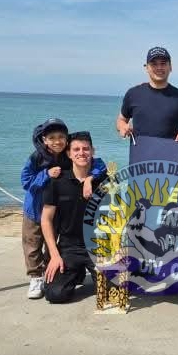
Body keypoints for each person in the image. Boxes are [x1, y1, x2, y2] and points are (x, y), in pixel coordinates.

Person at [41, 132, 107, 304]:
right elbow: (46, 219)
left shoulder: (106, 182)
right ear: (69, 154)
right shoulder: (57, 181)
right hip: (69, 246)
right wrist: (54, 255)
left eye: (86, 149)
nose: (81, 153)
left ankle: (87, 271)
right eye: (76, 149)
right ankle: (75, 272)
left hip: (97, 246)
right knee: (55, 294)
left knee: (113, 294)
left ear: (92, 151)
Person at [20, 117, 70, 299]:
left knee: (52, 243)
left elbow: (89, 163)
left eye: (61, 137)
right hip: (34, 210)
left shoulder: (69, 154)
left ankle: (51, 271)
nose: (57, 141)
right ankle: (35, 277)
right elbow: (26, 182)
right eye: (52, 137)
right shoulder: (36, 157)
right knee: (32, 244)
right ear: (44, 139)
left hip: (56, 211)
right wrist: (46, 174)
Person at [116, 47, 178, 142]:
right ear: (147, 67)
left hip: (170, 155)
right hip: (140, 155)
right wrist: (123, 127)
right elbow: (121, 120)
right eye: (154, 64)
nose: (159, 67)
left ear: (170, 67)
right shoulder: (133, 94)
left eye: (163, 63)